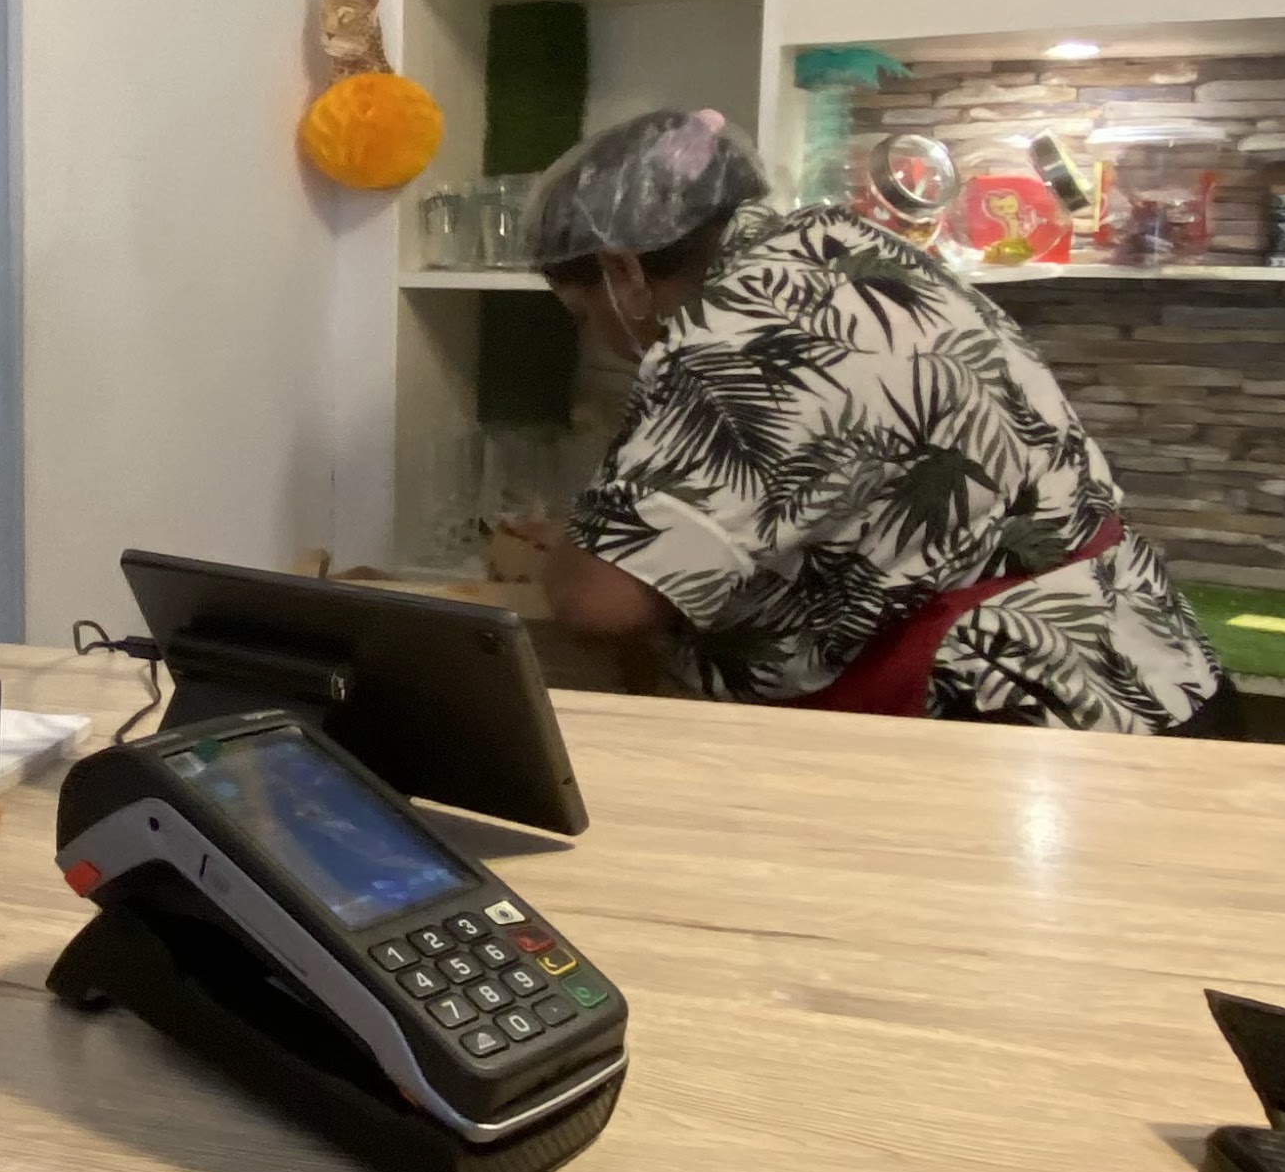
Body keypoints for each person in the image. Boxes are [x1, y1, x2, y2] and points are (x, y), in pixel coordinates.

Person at [502, 108, 1234, 734]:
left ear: (623, 272)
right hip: (1150, 674)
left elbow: (598, 602)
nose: (600, 338)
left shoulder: (737, 337)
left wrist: (565, 550)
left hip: (1036, 728)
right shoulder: (846, 250)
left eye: (582, 311)